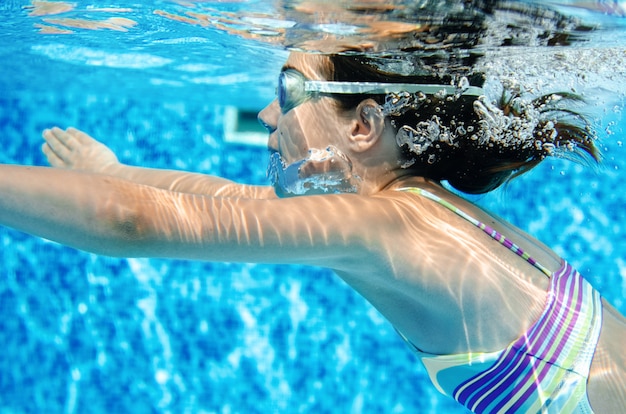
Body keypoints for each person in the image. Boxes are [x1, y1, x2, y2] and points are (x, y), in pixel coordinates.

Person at [2, 51, 625, 413]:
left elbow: (130, 220)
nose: (268, 113)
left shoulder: (386, 224)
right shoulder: (416, 207)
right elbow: (232, 202)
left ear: (364, 126)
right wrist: (115, 171)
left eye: (288, 91)